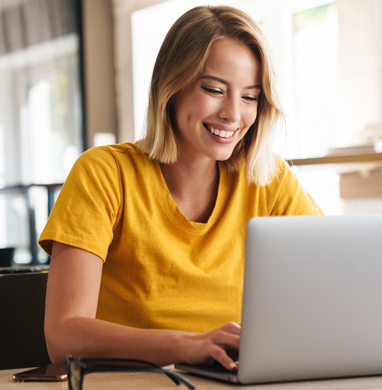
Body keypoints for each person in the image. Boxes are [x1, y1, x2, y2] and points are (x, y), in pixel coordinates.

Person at [38, 5, 323, 371]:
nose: (233, 114)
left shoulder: (268, 179)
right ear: (171, 87)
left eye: (250, 97)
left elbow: (332, 287)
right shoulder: (104, 173)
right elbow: (63, 338)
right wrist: (187, 345)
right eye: (214, 90)